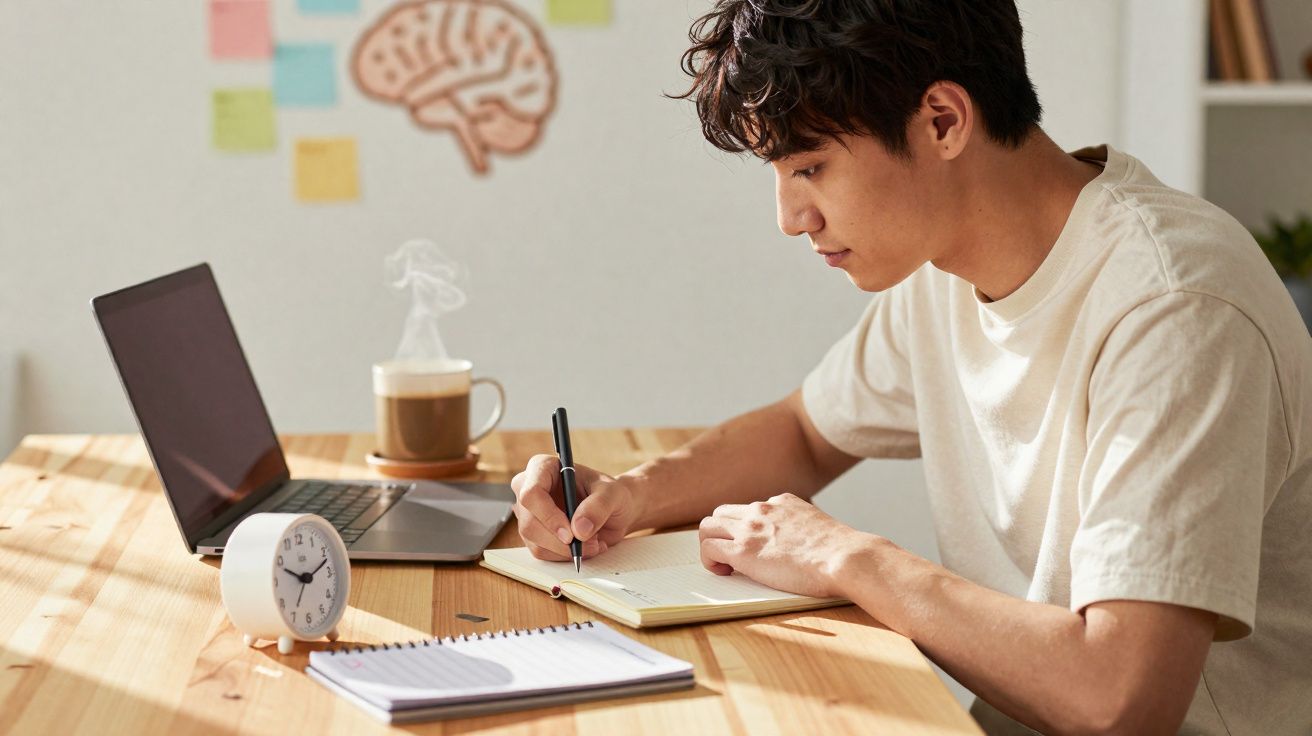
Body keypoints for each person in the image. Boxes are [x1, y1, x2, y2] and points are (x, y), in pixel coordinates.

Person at [510, 1, 1312, 733]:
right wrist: (626, 495)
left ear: (940, 120)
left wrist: (847, 557)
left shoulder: (1176, 308)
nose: (791, 218)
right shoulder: (947, 268)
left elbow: (1120, 699)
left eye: (809, 166)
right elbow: (804, 431)